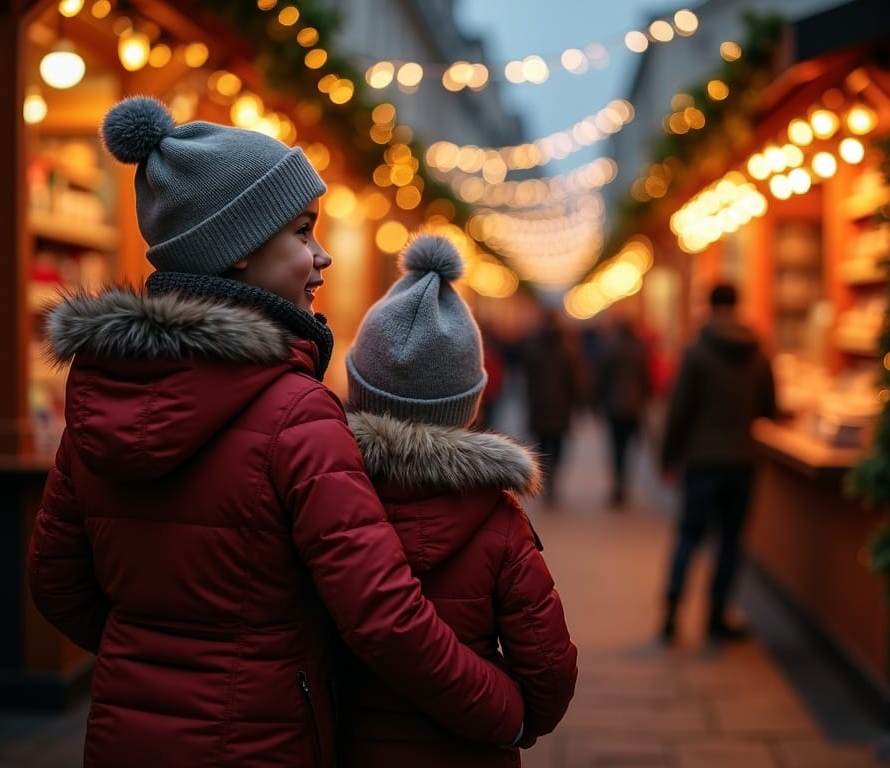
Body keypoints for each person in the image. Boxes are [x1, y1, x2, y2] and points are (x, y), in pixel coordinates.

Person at [27, 95, 524, 768]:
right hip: (261, 738)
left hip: (125, 734)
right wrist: (505, 711)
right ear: (237, 251)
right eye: (302, 233)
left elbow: (56, 582)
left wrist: (153, 659)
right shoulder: (295, 412)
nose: (322, 257)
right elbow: (383, 615)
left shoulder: (99, 388)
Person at [340, 233, 578, 767]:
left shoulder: (320, 491)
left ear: (359, 388)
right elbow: (549, 672)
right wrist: (513, 719)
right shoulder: (497, 521)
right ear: (469, 401)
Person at [659, 282, 777, 643]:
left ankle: (672, 614)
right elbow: (769, 407)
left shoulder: (695, 351)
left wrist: (667, 456)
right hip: (742, 461)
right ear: (737, 305)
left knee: (689, 537)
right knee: (730, 541)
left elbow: (678, 410)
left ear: (710, 307)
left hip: (702, 462)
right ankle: (716, 615)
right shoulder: (759, 352)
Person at [519, 307, 585, 505]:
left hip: (539, 408)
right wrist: (579, 405)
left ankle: (547, 481)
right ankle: (554, 479)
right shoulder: (568, 350)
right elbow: (575, 382)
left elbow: (527, 380)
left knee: (541, 445)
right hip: (561, 408)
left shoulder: (533, 350)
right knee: (558, 446)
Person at [594, 316, 654, 507]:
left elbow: (602, 378)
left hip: (614, 406)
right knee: (630, 445)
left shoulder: (610, 349)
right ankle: (624, 482)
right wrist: (647, 396)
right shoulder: (639, 350)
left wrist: (598, 401)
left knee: (616, 445)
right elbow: (646, 377)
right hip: (635, 406)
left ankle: (618, 483)